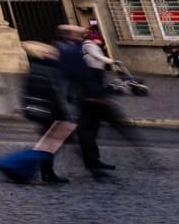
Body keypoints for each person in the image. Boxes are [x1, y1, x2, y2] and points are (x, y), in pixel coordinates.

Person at [58, 23, 141, 179]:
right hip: (89, 97)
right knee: (89, 131)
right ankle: (92, 164)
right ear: (69, 35)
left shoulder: (74, 48)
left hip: (91, 94)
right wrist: (93, 95)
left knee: (92, 130)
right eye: (78, 34)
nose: (81, 36)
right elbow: (77, 75)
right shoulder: (71, 50)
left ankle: (94, 161)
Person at [0, 41, 72, 184]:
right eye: (51, 52)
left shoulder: (36, 67)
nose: (55, 54)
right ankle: (10, 163)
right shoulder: (46, 69)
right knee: (48, 145)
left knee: (49, 144)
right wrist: (62, 115)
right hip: (47, 111)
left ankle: (44, 172)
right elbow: (52, 94)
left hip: (39, 110)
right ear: (44, 54)